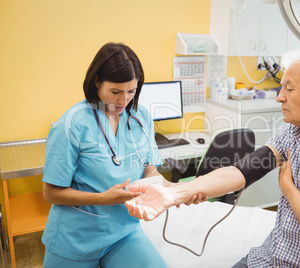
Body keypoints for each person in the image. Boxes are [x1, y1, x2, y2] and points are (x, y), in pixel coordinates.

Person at [125, 46, 300, 267]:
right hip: (271, 256)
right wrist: (174, 194)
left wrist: (287, 187)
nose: (279, 97)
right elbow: (239, 172)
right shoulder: (294, 131)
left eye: (288, 88)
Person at [41, 42, 205, 268]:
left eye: (131, 91)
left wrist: (178, 191)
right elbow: (51, 193)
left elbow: (149, 170)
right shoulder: (72, 124)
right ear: (97, 81)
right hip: (75, 237)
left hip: (123, 232)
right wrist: (102, 199)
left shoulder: (140, 118)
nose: (123, 101)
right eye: (116, 92)